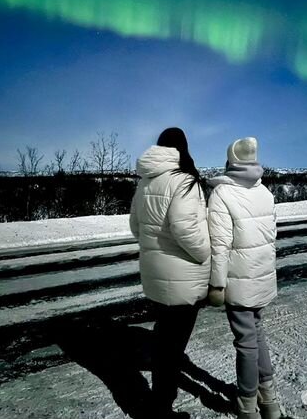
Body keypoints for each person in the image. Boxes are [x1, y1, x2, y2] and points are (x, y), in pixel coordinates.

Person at [130, 127, 211, 419]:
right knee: (172, 345)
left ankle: (159, 402)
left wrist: (154, 248)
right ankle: (161, 407)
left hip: (155, 274)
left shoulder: (145, 182)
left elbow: (136, 227)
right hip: (183, 276)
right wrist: (205, 254)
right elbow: (184, 228)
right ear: (182, 148)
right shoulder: (183, 181)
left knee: (164, 338)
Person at [208, 137, 281, 419]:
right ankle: (270, 402)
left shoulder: (223, 194)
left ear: (230, 161)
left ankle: (247, 405)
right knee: (257, 335)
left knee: (246, 343)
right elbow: (271, 236)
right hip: (261, 277)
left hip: (239, 282)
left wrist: (216, 284)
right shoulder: (265, 192)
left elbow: (219, 246)